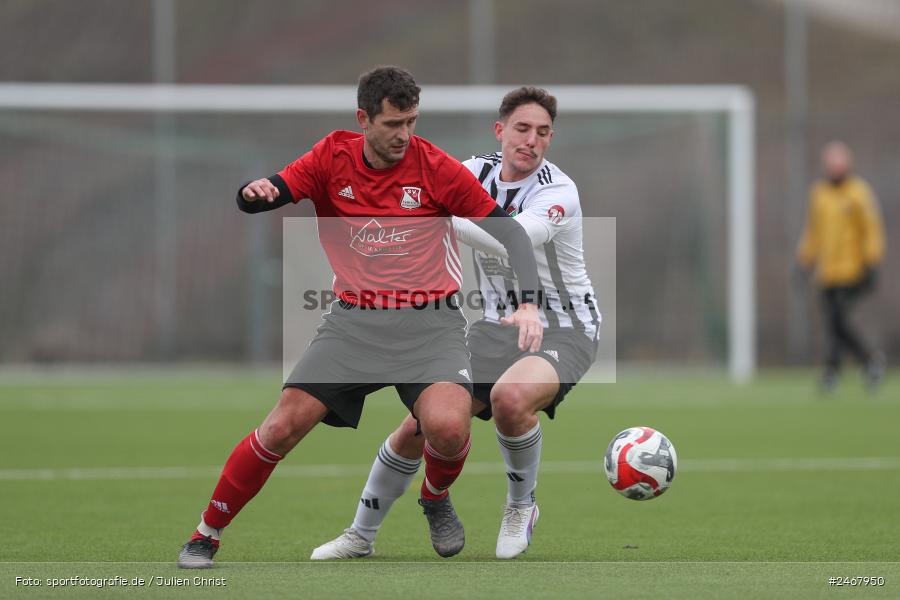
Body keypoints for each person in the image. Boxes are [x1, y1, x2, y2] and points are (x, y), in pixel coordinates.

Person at [177, 67, 545, 568]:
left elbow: (515, 236)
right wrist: (253, 192)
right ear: (363, 119)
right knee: (282, 427)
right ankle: (206, 532)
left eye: (412, 121)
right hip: (354, 326)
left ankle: (434, 498)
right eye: (394, 123)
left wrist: (526, 302)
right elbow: (271, 191)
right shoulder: (332, 156)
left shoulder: (434, 167)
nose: (405, 135)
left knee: (448, 428)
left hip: (430, 326)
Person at [310, 86, 600, 561]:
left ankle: (520, 505)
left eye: (543, 132)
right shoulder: (470, 172)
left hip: (564, 328)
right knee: (418, 429)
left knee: (510, 398)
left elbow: (514, 237)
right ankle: (360, 535)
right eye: (522, 129)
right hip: (492, 326)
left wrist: (429, 215)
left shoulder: (558, 191)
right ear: (500, 130)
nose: (532, 140)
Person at [797, 141, 886, 392]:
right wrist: (805, 260)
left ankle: (837, 370)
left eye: (839, 163)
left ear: (847, 165)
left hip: (852, 270)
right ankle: (864, 363)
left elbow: (871, 229)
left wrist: (872, 261)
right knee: (834, 322)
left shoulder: (858, 193)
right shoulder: (819, 194)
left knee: (837, 319)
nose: (834, 168)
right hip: (827, 272)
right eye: (830, 164)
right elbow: (813, 232)